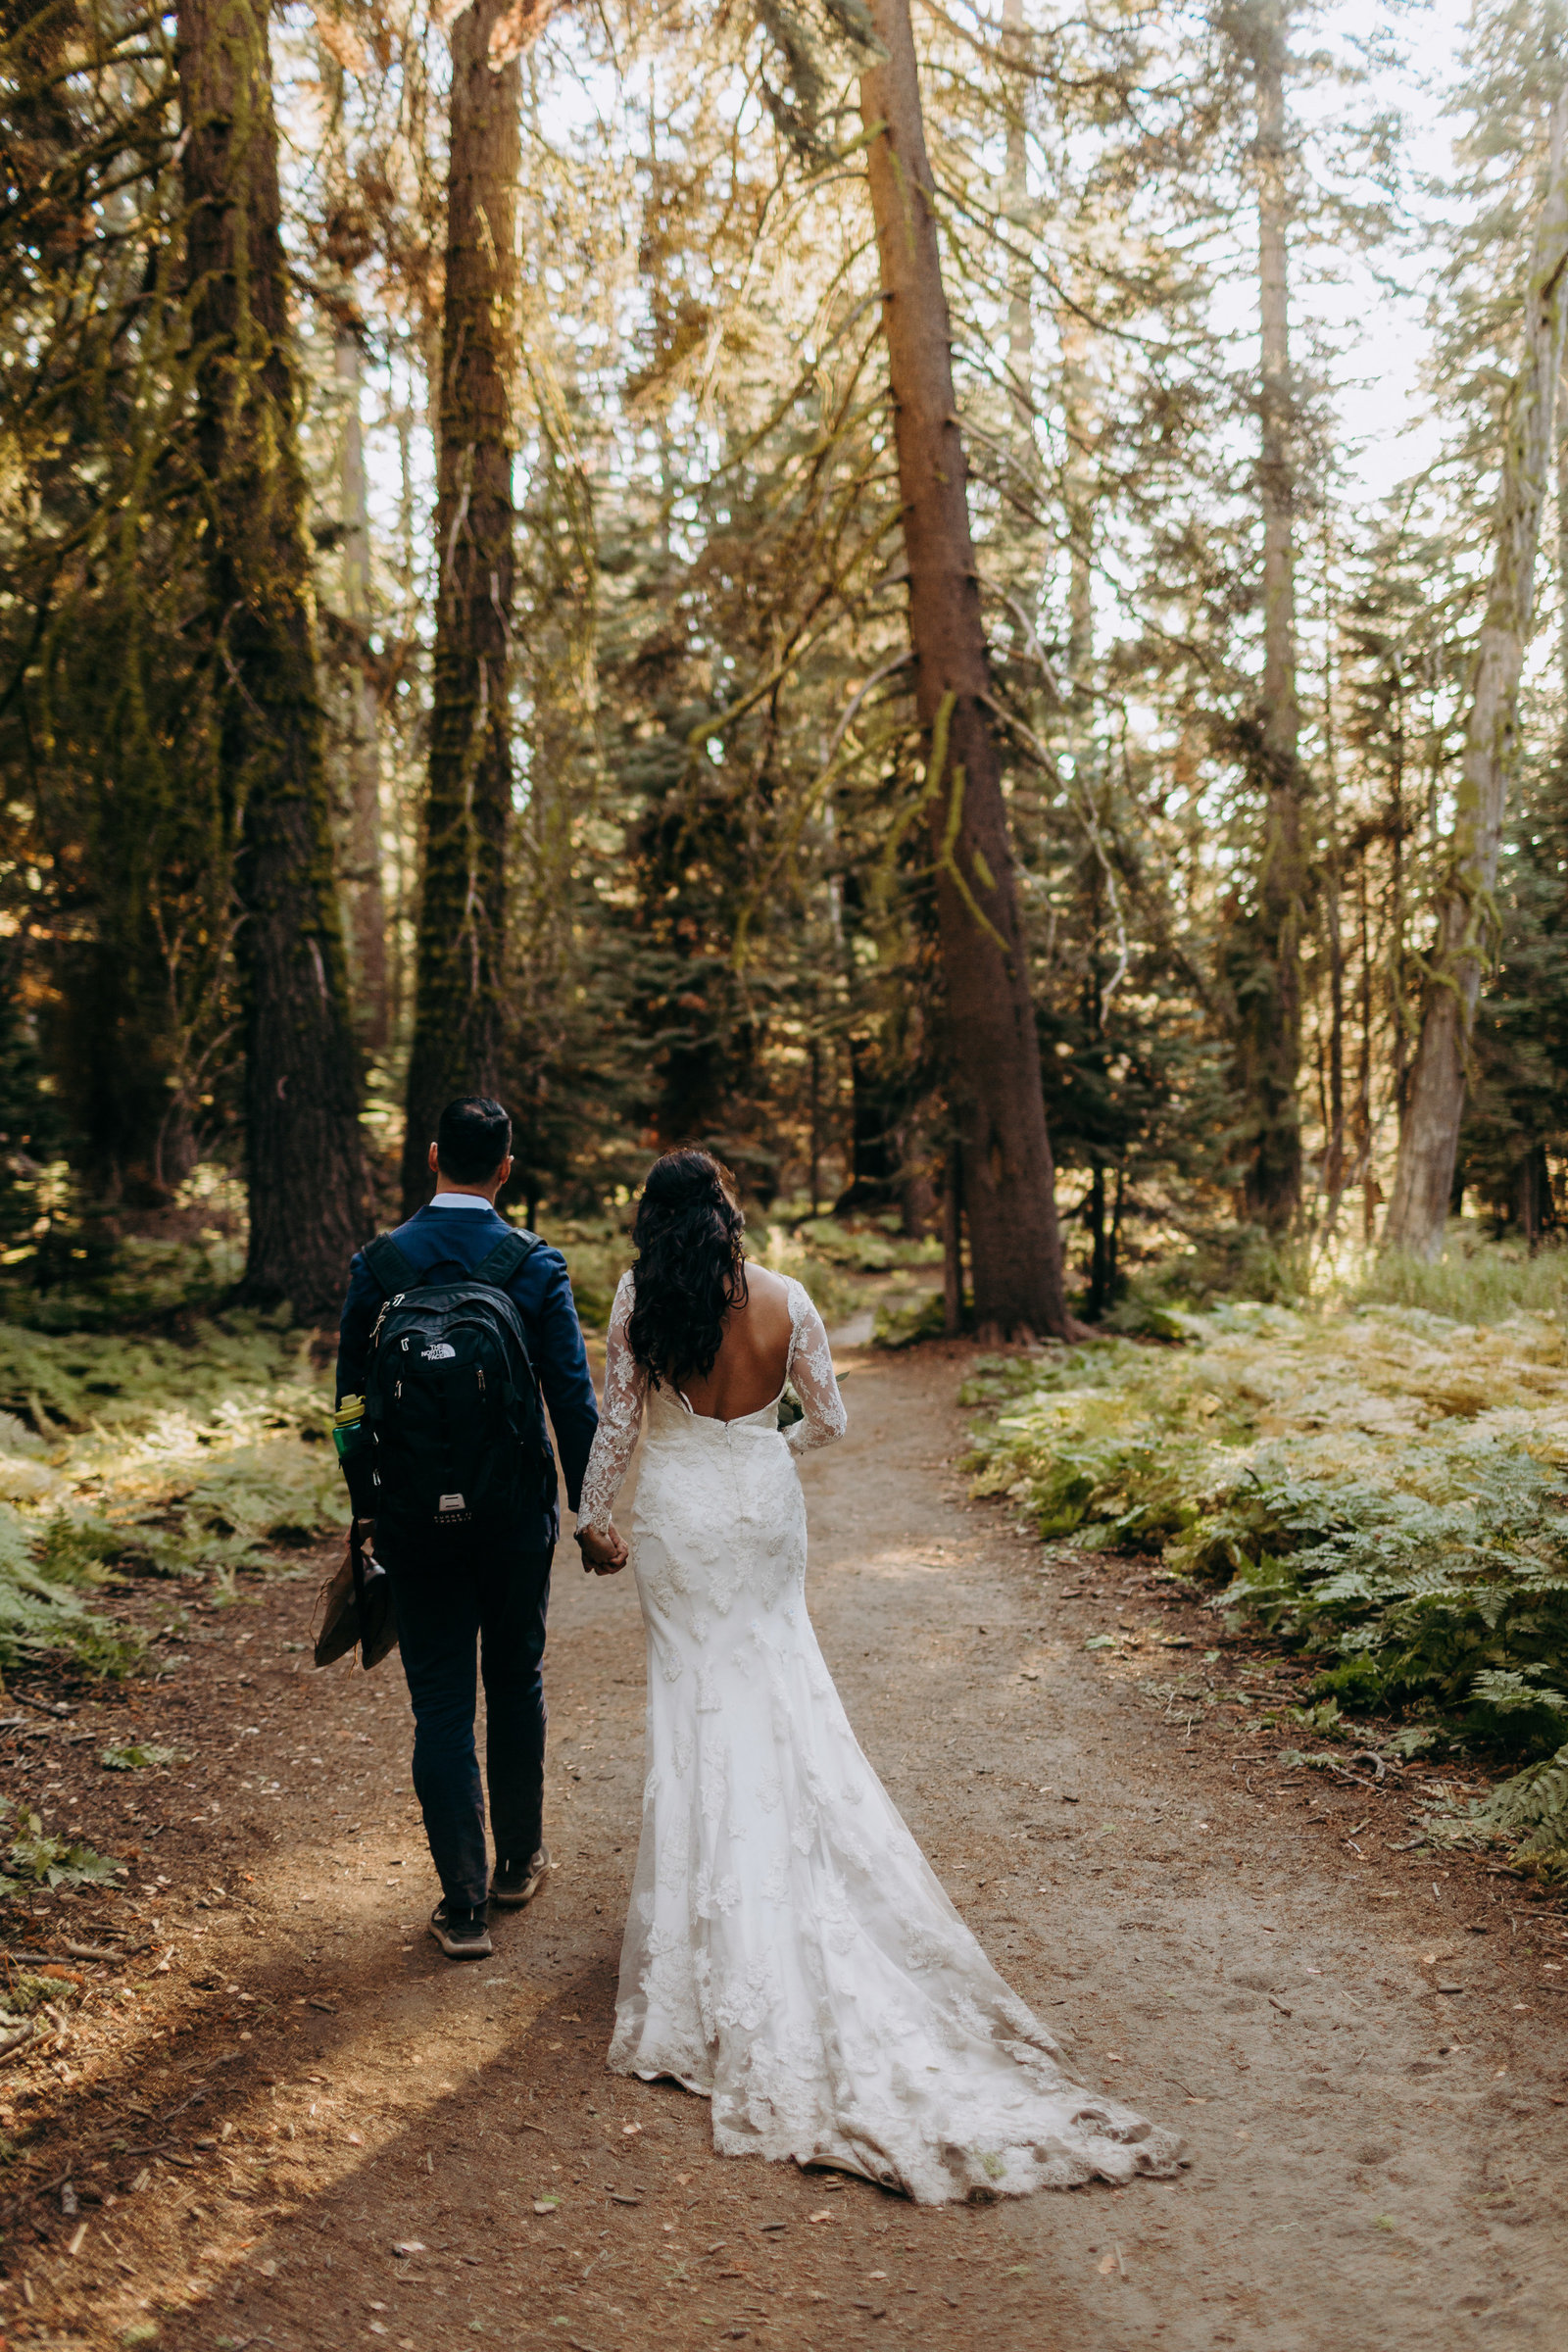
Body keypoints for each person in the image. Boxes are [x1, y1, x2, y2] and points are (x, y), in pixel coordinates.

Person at [574, 1148, 1183, 2204]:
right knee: (778, 1692)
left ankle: (701, 1930)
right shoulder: (787, 1299)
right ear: (727, 1211)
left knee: (696, 1709)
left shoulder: (639, 1296)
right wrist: (765, 1455)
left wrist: (595, 1520)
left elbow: (618, 1425)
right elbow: (835, 1420)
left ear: (651, 1222)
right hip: (760, 1514)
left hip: (676, 1518)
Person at [336, 1096, 606, 1961]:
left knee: (441, 1698)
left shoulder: (378, 1264)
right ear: (506, 1170)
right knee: (515, 1676)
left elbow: (346, 1407)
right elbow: (572, 1398)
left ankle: (461, 1906)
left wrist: (366, 1500)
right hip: (513, 1516)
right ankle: (520, 1862)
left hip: (415, 1518)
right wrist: (586, 1512)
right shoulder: (532, 1264)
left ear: (431, 1155)